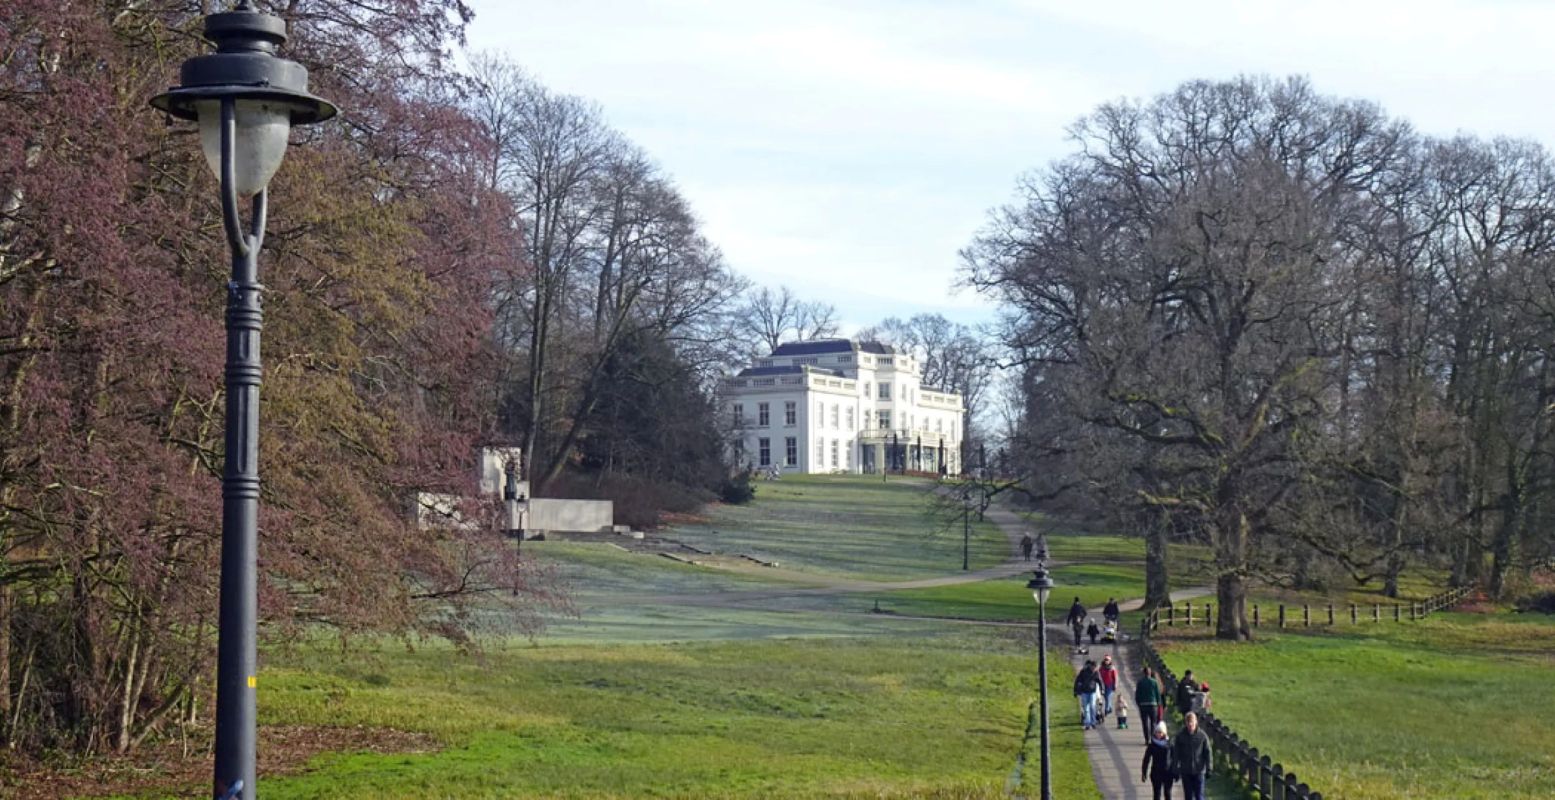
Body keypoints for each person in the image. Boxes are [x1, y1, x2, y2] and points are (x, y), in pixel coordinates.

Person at [1171, 712, 1212, 800]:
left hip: (1199, 770)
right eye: (1188, 723)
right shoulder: (1180, 736)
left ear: (1196, 722)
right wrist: (1175, 769)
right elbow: (1176, 754)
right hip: (1186, 771)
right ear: (1185, 723)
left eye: (1192, 723)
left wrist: (1209, 768)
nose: (1190, 725)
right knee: (1188, 796)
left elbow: (1208, 753)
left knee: (1199, 796)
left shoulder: (1202, 736)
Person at [1141, 720, 1175, 800]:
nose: (1159, 734)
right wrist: (1144, 772)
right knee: (1157, 794)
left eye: (1161, 732)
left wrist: (1176, 772)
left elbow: (1174, 758)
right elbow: (1146, 759)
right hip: (1156, 772)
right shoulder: (1152, 745)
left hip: (1168, 773)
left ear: (1164, 733)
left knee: (1168, 793)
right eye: (1157, 732)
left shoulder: (1170, 745)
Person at [1135, 667, 1164, 743]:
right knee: (1153, 722)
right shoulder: (1154, 682)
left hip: (1143, 705)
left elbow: (1137, 694)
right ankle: (1153, 738)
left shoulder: (1140, 682)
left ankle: (1146, 739)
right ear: (1150, 673)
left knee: (1145, 723)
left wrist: (1138, 703)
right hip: (1153, 704)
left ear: (1144, 673)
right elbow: (1157, 694)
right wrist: (1158, 703)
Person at [1073, 659, 1101, 730]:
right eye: (1093, 667)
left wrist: (1102, 689)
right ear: (1091, 666)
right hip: (1084, 692)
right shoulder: (1084, 671)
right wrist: (1075, 690)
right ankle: (1087, 723)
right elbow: (1078, 680)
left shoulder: (1096, 672)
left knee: (1092, 706)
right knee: (1086, 708)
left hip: (1092, 692)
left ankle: (1093, 722)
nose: (1094, 669)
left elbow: (1099, 681)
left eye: (1095, 667)